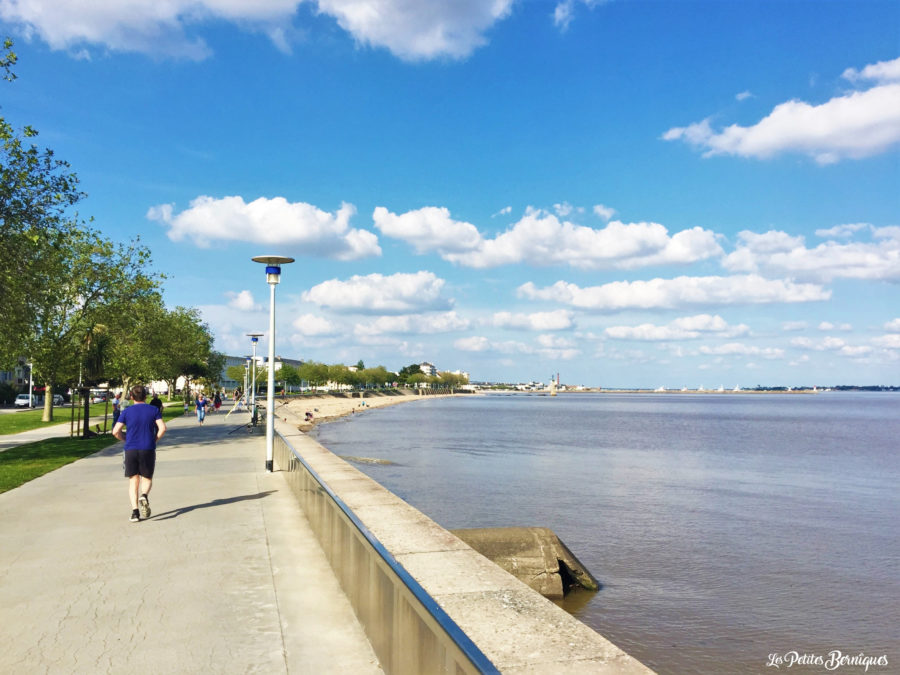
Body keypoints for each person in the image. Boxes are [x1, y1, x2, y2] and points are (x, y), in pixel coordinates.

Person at [112, 384, 166, 523]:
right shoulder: (153, 410)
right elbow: (162, 428)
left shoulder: (127, 412)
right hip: (147, 448)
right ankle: (144, 495)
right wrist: (154, 439)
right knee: (147, 478)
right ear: (146, 396)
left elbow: (115, 431)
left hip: (131, 449)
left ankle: (135, 512)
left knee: (133, 480)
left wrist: (124, 438)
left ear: (131, 397)